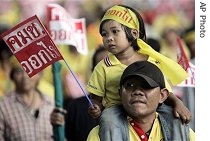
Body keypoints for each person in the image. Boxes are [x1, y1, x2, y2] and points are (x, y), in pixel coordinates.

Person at [87, 5, 191, 141]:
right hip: (117, 110)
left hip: (153, 108)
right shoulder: (103, 67)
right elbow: (96, 98)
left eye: (115, 32)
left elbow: (164, 90)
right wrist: (96, 107)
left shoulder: (151, 60)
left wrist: (178, 104)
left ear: (134, 34)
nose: (109, 38)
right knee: (108, 120)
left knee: (177, 119)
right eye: (104, 34)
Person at [87, 61, 195, 141]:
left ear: (162, 95)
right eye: (130, 85)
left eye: (146, 86)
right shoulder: (101, 134)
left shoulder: (182, 132)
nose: (137, 91)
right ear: (120, 94)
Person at [51, 45, 108, 141]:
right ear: (93, 71)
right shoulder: (75, 108)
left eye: (114, 65)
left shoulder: (130, 107)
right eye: (102, 66)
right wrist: (57, 128)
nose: (108, 70)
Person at [0, 65, 54, 141]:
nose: (25, 76)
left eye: (29, 70)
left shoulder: (51, 104)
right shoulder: (3, 106)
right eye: (19, 72)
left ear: (39, 75)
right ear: (12, 76)